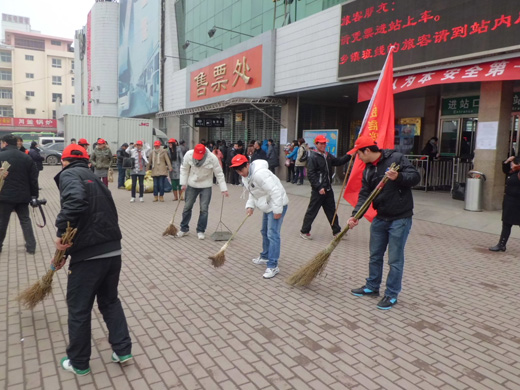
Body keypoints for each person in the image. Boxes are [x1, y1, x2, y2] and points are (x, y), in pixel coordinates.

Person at [53, 144, 132, 376]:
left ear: (63, 161)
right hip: (112, 251)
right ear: (87, 160)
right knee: (109, 301)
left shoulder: (69, 174)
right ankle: (122, 350)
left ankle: (78, 363)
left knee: (79, 309)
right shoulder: (94, 177)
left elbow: (75, 203)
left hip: (89, 256)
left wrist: (60, 235)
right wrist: (65, 252)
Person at [346, 135, 420, 310]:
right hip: (380, 218)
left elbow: (416, 177)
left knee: (394, 259)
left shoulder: (396, 159)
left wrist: (399, 177)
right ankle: (372, 287)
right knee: (375, 255)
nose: (358, 158)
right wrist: (356, 214)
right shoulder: (368, 169)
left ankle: (391, 294)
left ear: (367, 151)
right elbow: (365, 194)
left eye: (358, 154)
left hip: (400, 218)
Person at [230, 154, 289, 279]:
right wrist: (250, 206)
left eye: (242, 169)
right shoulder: (246, 177)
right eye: (238, 171)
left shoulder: (260, 174)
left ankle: (273, 266)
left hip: (277, 204)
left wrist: (278, 210)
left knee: (273, 234)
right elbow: (253, 193)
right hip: (267, 205)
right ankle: (265, 256)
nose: (241, 173)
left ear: (247, 165)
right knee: (264, 231)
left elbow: (275, 191)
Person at [300, 135, 350, 239]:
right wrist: (318, 187)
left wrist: (350, 155)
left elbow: (338, 161)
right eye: (321, 143)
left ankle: (337, 231)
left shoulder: (327, 156)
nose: (323, 145)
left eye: (324, 143)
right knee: (312, 211)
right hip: (318, 190)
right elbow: (311, 174)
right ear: (316, 144)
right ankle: (304, 231)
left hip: (328, 189)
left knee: (332, 211)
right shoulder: (313, 157)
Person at [177, 143, 228, 240]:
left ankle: (201, 230)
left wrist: (223, 188)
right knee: (187, 206)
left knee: (204, 209)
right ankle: (184, 229)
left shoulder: (212, 158)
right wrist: (183, 183)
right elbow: (184, 169)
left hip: (206, 185)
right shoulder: (188, 154)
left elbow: (219, 173)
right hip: (192, 184)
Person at [0, 134, 38, 254]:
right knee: (25, 220)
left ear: (5, 143)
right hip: (23, 196)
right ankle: (31, 246)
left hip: (4, 196)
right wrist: (34, 196)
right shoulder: (26, 157)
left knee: (2, 221)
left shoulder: (1, 156)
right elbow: (33, 178)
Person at [489, 156, 520, 252]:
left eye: (513, 163)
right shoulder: (512, 172)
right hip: (509, 200)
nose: (511, 165)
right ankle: (501, 244)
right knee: (506, 223)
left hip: (518, 201)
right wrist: (507, 161)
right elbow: (505, 169)